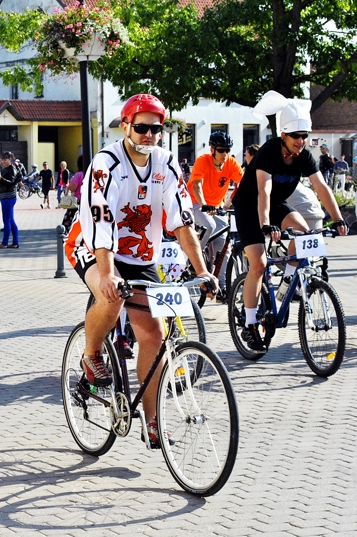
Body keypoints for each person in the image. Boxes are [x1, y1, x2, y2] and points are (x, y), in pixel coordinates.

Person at [64, 94, 216, 448]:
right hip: (92, 245)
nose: (149, 135)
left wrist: (203, 271)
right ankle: (90, 356)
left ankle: (153, 424)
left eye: (156, 129)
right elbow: (101, 221)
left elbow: (181, 222)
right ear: (126, 125)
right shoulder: (107, 163)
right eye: (142, 127)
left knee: (154, 335)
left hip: (141, 256)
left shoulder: (166, 163)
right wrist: (107, 274)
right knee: (111, 297)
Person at [232, 91, 347, 352]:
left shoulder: (304, 156)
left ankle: (287, 280)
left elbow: (322, 187)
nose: (301, 141)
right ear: (283, 134)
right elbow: (264, 190)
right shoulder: (268, 153)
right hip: (250, 207)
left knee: (304, 233)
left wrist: (338, 219)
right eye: (296, 136)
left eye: (305, 135)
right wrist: (265, 225)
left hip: (275, 206)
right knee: (259, 265)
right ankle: (249, 323)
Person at [188, 131, 243, 294]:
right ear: (212, 149)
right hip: (195, 203)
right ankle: (194, 260)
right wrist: (204, 204)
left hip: (216, 207)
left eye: (227, 150)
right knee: (210, 226)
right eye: (221, 150)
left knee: (224, 246)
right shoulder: (202, 161)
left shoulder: (231, 163)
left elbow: (245, 183)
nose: (225, 154)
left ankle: (221, 287)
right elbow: (197, 185)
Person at [0, 151, 21, 248]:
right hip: (5, 197)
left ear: (10, 159)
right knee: (11, 220)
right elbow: (0, 184)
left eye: (5, 159)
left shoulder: (12, 169)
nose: (3, 161)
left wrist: (1, 179)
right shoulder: (5, 169)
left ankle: (4, 243)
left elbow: (12, 182)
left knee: (6, 220)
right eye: (2, 159)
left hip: (8, 197)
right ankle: (15, 242)